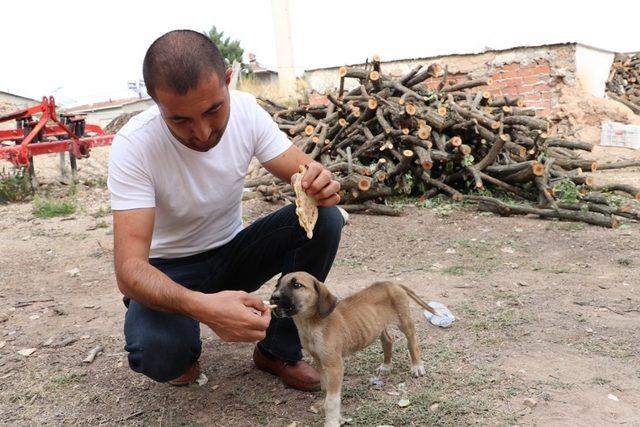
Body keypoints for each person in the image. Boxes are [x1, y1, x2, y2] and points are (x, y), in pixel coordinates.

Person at [107, 29, 343, 390]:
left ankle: (277, 350)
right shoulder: (134, 146)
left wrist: (321, 183)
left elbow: (304, 173)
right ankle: (182, 349)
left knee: (323, 219)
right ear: (155, 103)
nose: (201, 132)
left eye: (213, 109)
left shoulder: (247, 111)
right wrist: (203, 308)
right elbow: (130, 270)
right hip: (168, 270)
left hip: (232, 254)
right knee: (159, 355)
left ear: (228, 80)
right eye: (179, 120)